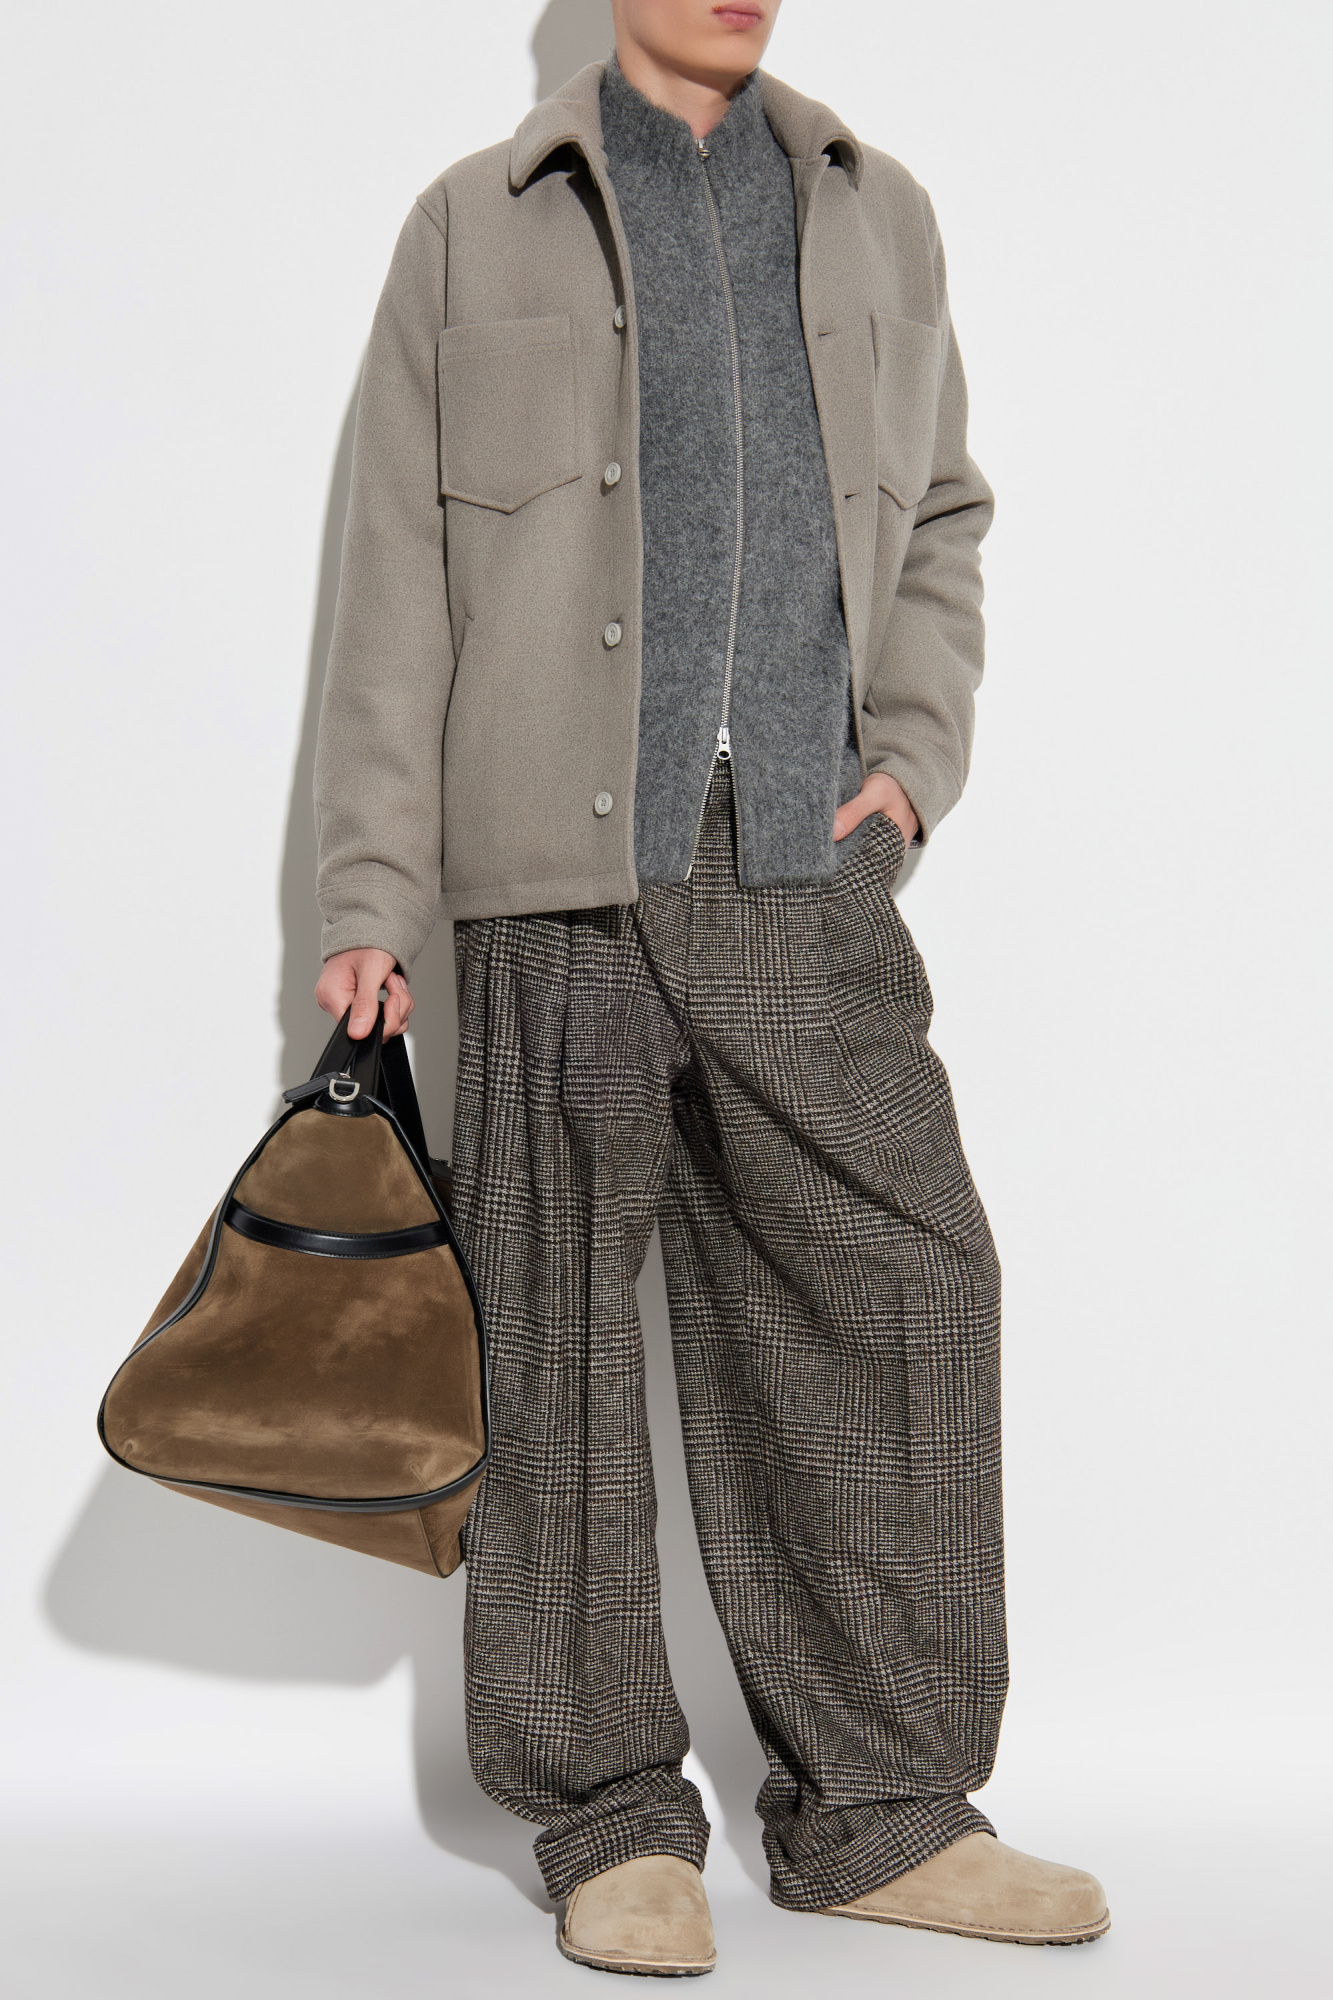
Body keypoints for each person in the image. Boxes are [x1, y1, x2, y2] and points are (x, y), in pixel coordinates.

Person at [312, 0, 1109, 1976]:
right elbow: (390, 575)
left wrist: (907, 766)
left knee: (903, 1289)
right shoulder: (473, 220)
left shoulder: (873, 207)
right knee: (557, 1344)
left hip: (800, 863)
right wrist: (372, 885)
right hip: (551, 871)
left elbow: (944, 514)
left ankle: (883, 1810)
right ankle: (606, 1821)